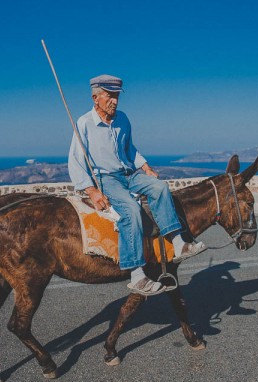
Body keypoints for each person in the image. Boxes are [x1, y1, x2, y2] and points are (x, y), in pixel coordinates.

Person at [68, 74, 206, 296]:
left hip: (129, 173)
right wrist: (92, 191)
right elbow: (75, 161)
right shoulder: (84, 123)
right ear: (96, 98)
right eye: (109, 96)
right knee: (131, 211)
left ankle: (179, 243)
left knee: (160, 187)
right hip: (107, 179)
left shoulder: (123, 119)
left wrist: (146, 167)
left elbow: (130, 149)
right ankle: (137, 276)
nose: (114, 101)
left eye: (116, 96)